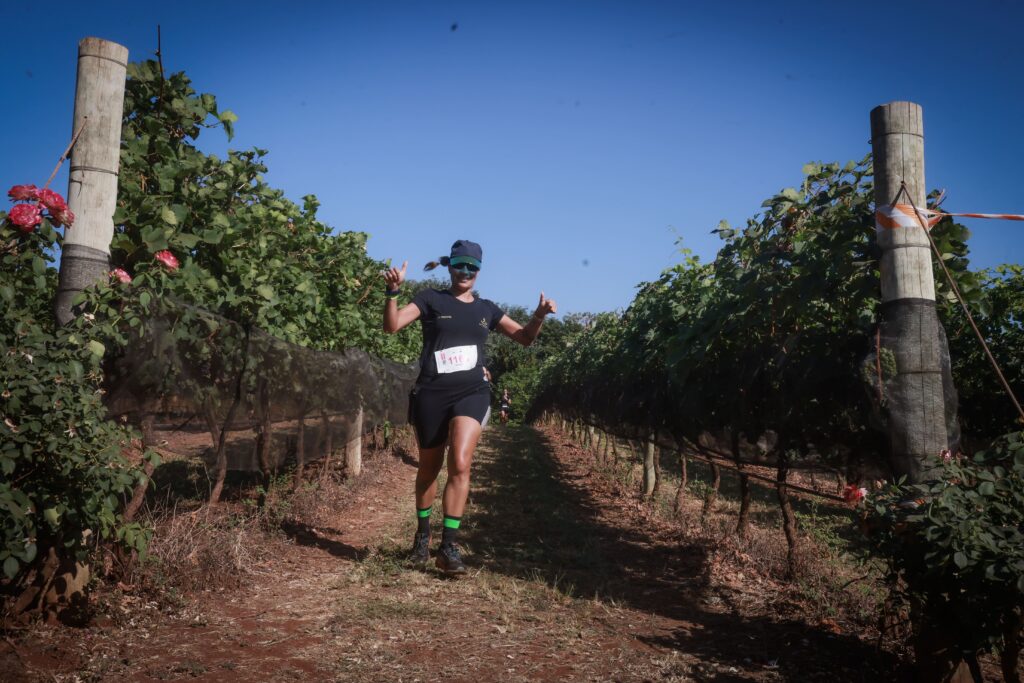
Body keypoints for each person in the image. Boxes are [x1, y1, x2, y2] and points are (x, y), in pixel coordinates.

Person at [382, 240, 556, 575]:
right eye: (460, 265)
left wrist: (539, 315)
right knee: (429, 468)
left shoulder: (486, 309)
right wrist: (392, 293)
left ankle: (449, 546)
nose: (465, 272)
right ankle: (422, 536)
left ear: (479, 271)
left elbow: (524, 337)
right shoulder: (430, 299)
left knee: (460, 462)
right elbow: (392, 326)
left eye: (472, 268)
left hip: (472, 391)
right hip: (431, 392)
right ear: (450, 266)